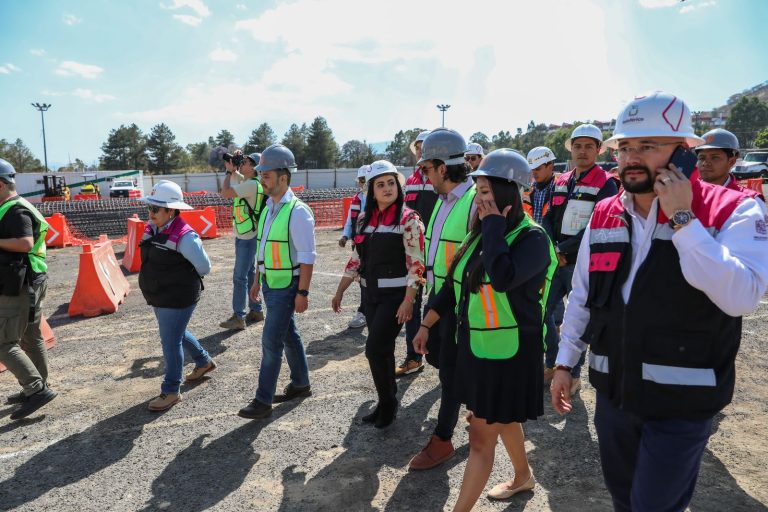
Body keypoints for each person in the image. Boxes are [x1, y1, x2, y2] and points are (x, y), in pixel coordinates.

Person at [550, 91, 768, 512]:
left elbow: (740, 297)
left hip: (682, 405)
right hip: (614, 397)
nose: (632, 157)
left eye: (648, 146)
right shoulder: (606, 213)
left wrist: (684, 219)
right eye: (625, 147)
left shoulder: (734, 209)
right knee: (623, 500)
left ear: (683, 153)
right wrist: (565, 361)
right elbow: (582, 295)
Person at [414, 149, 556, 511]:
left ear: (511, 192)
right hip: (478, 349)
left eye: (488, 194)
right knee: (501, 418)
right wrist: (427, 324)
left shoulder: (533, 239)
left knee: (480, 437)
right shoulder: (479, 235)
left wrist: (492, 229)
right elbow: (452, 285)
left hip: (510, 354)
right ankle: (523, 477)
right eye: (478, 194)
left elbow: (504, 277)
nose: (481, 201)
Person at [332, 160, 425, 429]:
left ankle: (388, 404)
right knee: (382, 352)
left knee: (373, 350)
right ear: (371, 190)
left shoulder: (409, 220)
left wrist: (409, 300)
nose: (387, 189)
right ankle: (386, 403)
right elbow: (355, 260)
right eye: (380, 185)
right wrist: (340, 291)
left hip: (395, 298)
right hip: (370, 297)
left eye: (391, 183)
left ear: (399, 186)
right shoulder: (363, 220)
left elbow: (416, 264)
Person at [408, 128, 476, 470]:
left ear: (444, 168)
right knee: (446, 367)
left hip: (463, 308)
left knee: (450, 372)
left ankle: (443, 439)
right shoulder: (444, 202)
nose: (424, 175)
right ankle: (476, 412)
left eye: (427, 169)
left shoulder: (474, 202)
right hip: (442, 301)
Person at [239, 144, 316, 420]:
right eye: (261, 175)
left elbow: (307, 257)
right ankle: (300, 383)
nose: (261, 179)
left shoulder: (298, 211)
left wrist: (303, 293)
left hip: (287, 287)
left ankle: (262, 400)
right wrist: (258, 280)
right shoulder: (270, 208)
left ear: (284, 177)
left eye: (266, 175)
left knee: (271, 341)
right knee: (288, 335)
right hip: (271, 284)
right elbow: (263, 247)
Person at [542, 124, 618, 390]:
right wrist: (554, 248)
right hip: (557, 260)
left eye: (589, 146)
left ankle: (573, 373)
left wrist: (564, 250)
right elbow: (548, 218)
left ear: (598, 150)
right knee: (543, 314)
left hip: (582, 263)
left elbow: (597, 225)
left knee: (580, 317)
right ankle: (553, 363)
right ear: (571, 149)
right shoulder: (560, 181)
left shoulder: (606, 184)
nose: (582, 151)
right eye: (577, 146)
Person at [138, 180, 215, 412]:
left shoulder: (185, 236)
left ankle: (171, 390)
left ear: (171, 211)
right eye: (149, 208)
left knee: (170, 341)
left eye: (155, 209)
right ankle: (203, 362)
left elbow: (205, 267)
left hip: (178, 296)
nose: (150, 213)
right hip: (160, 294)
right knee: (175, 333)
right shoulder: (154, 228)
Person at [0, 159, 57, 420]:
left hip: (22, 282)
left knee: (4, 342)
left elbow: (25, 242)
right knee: (30, 336)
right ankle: (38, 385)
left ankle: (36, 390)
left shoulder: (14, 211)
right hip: (30, 279)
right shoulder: (15, 206)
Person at [397, 129, 436, 377]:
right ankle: (414, 357)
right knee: (412, 302)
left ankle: (442, 355)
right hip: (415, 255)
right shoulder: (409, 182)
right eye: (418, 147)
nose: (421, 150)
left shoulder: (440, 178)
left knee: (439, 303)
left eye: (426, 146)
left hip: (439, 252)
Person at [219, 150, 266, 330]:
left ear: (254, 167)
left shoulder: (252, 185)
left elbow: (226, 192)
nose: (242, 164)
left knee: (239, 277)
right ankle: (256, 310)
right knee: (249, 273)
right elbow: (237, 176)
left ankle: (239, 316)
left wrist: (227, 173)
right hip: (245, 235)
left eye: (246, 162)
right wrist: (232, 168)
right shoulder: (248, 181)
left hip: (247, 237)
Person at [339, 165, 370, 329]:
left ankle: (364, 311)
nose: (361, 183)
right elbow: (350, 221)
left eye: (364, 180)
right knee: (362, 278)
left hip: (374, 245)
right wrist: (345, 235)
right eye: (360, 180)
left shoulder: (379, 198)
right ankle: (365, 311)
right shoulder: (357, 199)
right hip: (359, 245)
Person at [695, 128, 765, 201]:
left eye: (714, 158)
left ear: (732, 161)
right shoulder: (687, 192)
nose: (705, 163)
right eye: (701, 158)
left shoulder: (749, 201)